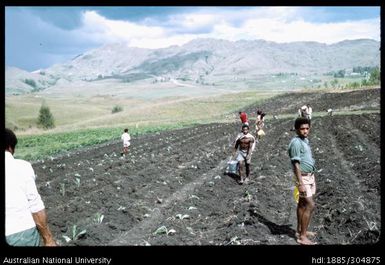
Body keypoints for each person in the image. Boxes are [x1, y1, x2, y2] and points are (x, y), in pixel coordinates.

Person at [5, 128, 57, 246]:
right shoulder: (22, 167)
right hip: (20, 233)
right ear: (10, 147)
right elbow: (35, 206)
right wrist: (48, 239)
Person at [288, 118, 317, 245]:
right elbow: (296, 164)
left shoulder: (304, 140)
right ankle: (302, 237)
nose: (305, 131)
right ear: (296, 129)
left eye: (307, 128)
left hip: (310, 177)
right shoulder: (296, 143)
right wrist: (300, 183)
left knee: (302, 204)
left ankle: (300, 230)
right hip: (303, 178)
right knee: (310, 205)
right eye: (302, 129)